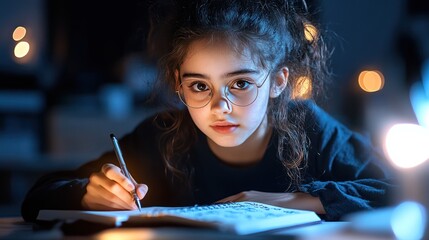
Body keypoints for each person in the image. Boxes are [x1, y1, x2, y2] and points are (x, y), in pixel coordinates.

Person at [22, 0, 395, 222]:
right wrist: (88, 194)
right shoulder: (164, 135)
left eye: (241, 84)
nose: (220, 106)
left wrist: (272, 201)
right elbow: (37, 196)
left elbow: (397, 190)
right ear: (177, 81)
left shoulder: (311, 129)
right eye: (199, 86)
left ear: (279, 81)